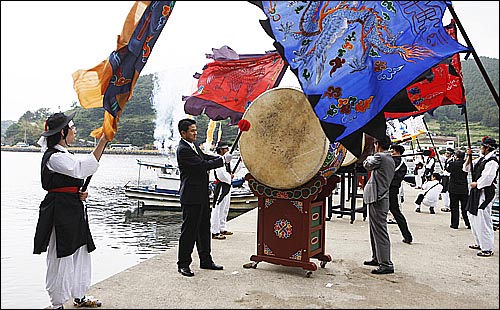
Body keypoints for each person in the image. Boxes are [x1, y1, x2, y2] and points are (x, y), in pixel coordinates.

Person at [33, 111, 109, 309]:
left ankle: (80, 295)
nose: (74, 130)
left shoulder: (65, 154)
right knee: (62, 254)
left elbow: (76, 176)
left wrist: (79, 192)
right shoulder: (54, 157)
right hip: (60, 211)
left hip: (74, 207)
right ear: (62, 133)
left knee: (81, 251)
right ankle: (57, 303)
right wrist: (103, 140)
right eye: (72, 127)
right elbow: (82, 169)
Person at [176, 118, 232, 277]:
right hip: (190, 196)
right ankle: (183, 264)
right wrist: (221, 160)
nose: (195, 133)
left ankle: (206, 260)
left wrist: (222, 157)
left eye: (195, 130)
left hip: (201, 195)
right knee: (189, 232)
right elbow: (202, 165)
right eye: (192, 131)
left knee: (203, 229)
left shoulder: (193, 146)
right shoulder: (183, 150)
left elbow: (205, 157)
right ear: (183, 133)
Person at [362, 135, 395, 274]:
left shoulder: (381, 157)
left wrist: (369, 156)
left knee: (380, 231)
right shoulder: (389, 158)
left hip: (378, 197)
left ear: (377, 145)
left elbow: (366, 164)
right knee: (374, 229)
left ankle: (386, 263)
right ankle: (377, 257)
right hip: (379, 196)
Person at [463, 136, 498, 257]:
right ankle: (479, 242)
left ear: (487, 148)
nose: (480, 148)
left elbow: (488, 178)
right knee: (472, 216)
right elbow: (467, 168)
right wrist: (469, 156)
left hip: (485, 192)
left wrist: (477, 183)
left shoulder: (492, 161)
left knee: (483, 219)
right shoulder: (481, 159)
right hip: (476, 191)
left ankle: (487, 248)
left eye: (482, 147)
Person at [388, 144, 413, 244]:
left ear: (397, 152)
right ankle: (407, 236)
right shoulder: (403, 164)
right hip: (394, 190)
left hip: (388, 189)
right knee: (396, 213)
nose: (391, 152)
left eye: (392, 151)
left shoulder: (391, 162)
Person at [210, 141, 234, 240]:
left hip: (227, 185)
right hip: (221, 185)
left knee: (225, 208)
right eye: (225, 149)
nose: (227, 151)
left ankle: (222, 227)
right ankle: (214, 231)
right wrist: (230, 177)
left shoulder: (226, 161)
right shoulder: (218, 160)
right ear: (221, 150)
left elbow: (231, 171)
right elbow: (222, 175)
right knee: (217, 208)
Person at [446, 150, 470, 229]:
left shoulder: (452, 163)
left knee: (454, 206)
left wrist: (452, 160)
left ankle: (454, 224)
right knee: (465, 207)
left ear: (456, 156)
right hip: (463, 188)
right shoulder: (466, 164)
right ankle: (468, 223)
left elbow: (447, 169)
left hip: (453, 187)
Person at [440, 148, 454, 212]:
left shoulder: (451, 161)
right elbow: (441, 158)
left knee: (446, 191)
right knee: (444, 191)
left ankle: (447, 206)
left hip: (448, 177)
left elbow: (450, 170)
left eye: (447, 153)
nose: (446, 154)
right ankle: (446, 205)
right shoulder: (447, 160)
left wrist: (444, 171)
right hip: (445, 177)